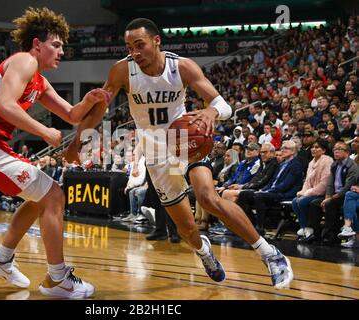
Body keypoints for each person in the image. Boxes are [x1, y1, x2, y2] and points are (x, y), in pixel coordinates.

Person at [64, 18, 293, 289]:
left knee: (208, 198)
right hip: (156, 155)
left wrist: (210, 111)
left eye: (140, 45)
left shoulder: (181, 66)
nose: (135, 52)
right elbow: (100, 108)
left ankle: (270, 254)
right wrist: (77, 140)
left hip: (185, 142)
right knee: (186, 229)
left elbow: (223, 105)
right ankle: (203, 251)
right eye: (129, 47)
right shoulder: (122, 71)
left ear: (156, 41)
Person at [0, 7, 111, 299]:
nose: (62, 51)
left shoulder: (39, 80)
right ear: (37, 45)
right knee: (53, 195)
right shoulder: (24, 61)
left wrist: (90, 99)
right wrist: (43, 131)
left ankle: (1, 260)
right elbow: (5, 106)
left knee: (41, 199)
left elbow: (72, 115)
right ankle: (58, 279)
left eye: (63, 45)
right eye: (56, 44)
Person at [291, 139, 333, 241]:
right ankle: (304, 227)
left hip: (322, 193)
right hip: (311, 192)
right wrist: (303, 192)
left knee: (301, 202)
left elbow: (324, 183)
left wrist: (308, 193)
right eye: (313, 147)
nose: (313, 149)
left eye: (317, 147)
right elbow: (307, 182)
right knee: (295, 201)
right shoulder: (311, 162)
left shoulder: (328, 161)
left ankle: (309, 228)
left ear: (323, 150)